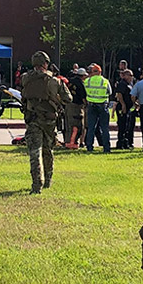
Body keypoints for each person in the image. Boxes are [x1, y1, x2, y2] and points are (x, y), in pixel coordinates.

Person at [21, 51, 71, 194]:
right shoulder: (54, 81)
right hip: (49, 120)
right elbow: (68, 98)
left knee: (35, 152)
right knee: (48, 149)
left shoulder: (25, 78)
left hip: (32, 119)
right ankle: (48, 179)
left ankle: (37, 184)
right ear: (46, 63)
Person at [83, 63, 112, 153]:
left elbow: (85, 91)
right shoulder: (105, 81)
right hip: (102, 105)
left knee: (91, 127)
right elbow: (110, 92)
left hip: (91, 105)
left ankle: (89, 147)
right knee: (104, 128)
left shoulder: (87, 81)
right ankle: (106, 148)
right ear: (100, 72)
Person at [64, 67, 88, 149]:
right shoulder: (80, 84)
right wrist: (86, 105)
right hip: (77, 106)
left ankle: (67, 142)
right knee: (76, 125)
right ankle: (72, 143)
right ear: (83, 76)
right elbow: (83, 98)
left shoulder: (70, 81)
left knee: (68, 125)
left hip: (68, 105)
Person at [114, 69, 136, 149]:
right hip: (122, 107)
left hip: (128, 107)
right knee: (122, 125)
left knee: (127, 125)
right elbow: (119, 94)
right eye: (130, 75)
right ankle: (120, 143)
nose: (132, 77)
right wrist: (123, 105)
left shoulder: (128, 84)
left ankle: (125, 142)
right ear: (125, 76)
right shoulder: (122, 84)